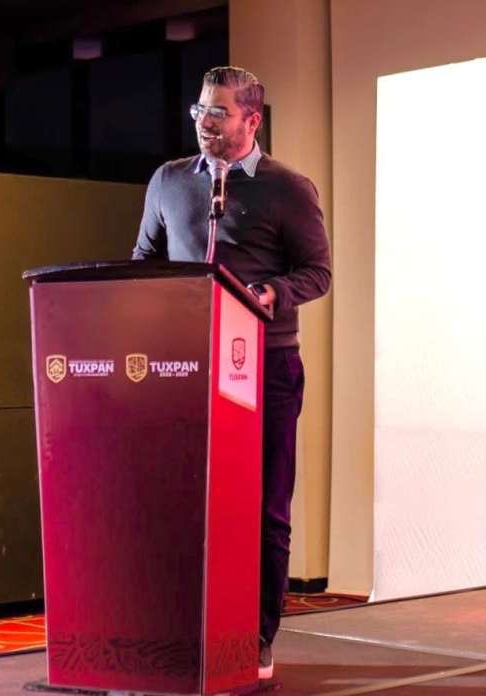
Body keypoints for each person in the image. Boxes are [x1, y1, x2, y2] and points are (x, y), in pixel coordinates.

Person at [132, 66, 331, 680]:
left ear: (253, 120)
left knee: (265, 509)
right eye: (200, 111)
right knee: (186, 501)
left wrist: (271, 293)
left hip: (266, 367)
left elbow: (318, 272)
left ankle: (258, 636)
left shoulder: (288, 189)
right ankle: (186, 626)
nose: (205, 123)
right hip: (187, 365)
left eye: (218, 112)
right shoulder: (169, 181)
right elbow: (144, 258)